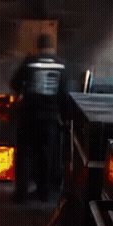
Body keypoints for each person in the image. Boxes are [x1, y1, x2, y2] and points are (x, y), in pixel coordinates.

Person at [10, 33, 66, 202]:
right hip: (49, 119)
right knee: (45, 156)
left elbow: (14, 83)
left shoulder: (30, 62)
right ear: (52, 47)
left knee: (25, 155)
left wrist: (22, 92)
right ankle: (43, 193)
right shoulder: (61, 65)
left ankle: (21, 195)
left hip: (29, 116)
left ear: (38, 46)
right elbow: (63, 93)